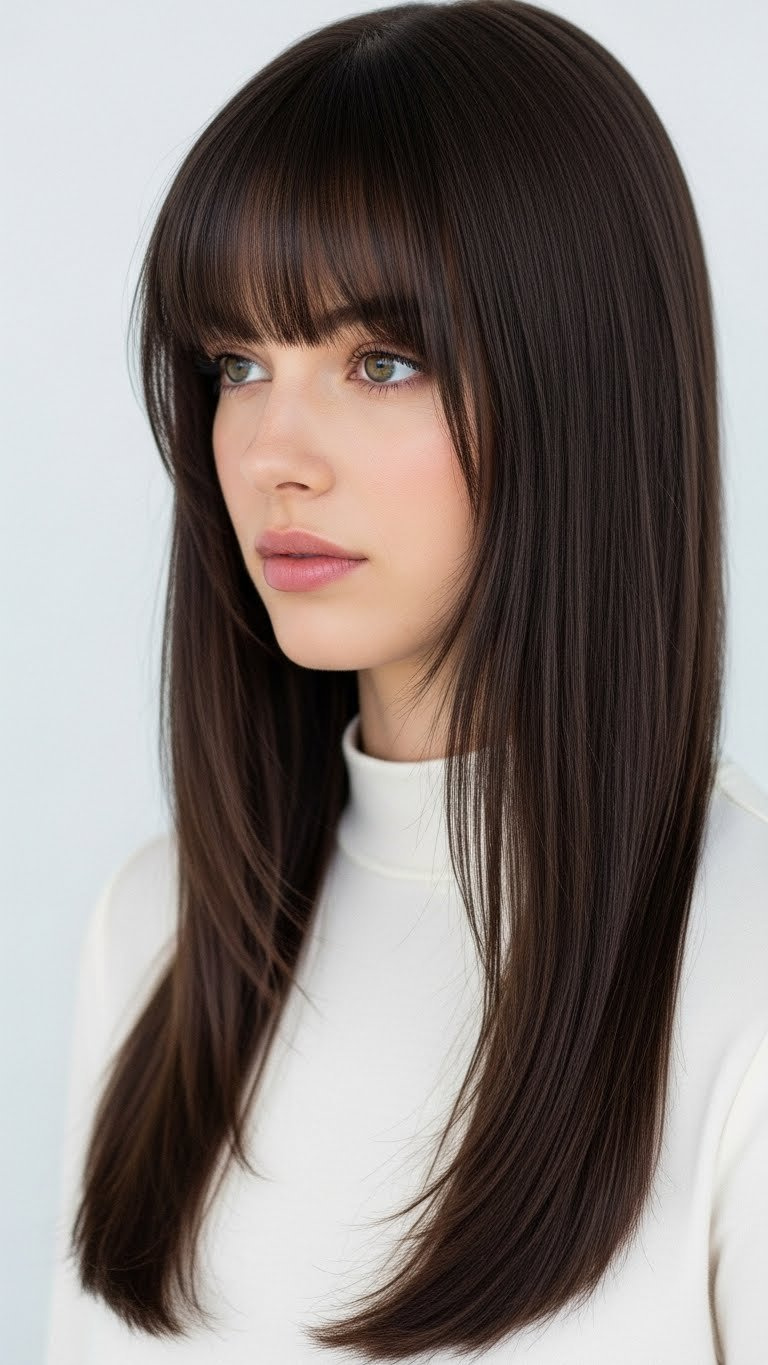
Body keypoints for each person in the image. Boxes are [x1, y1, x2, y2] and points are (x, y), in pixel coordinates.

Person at [44, 1, 768, 1361]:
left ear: (581, 389)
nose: (270, 451)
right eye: (235, 363)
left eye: (381, 360)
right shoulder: (159, 931)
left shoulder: (742, 970)